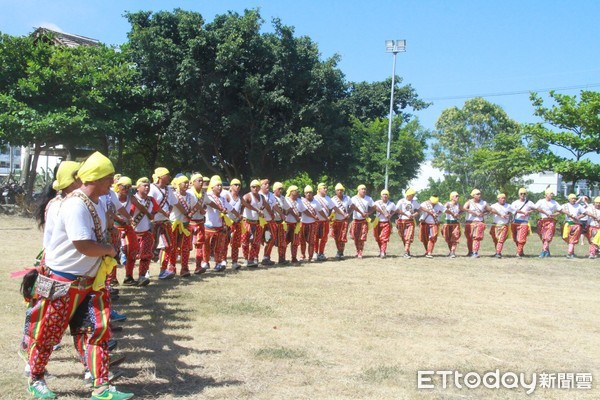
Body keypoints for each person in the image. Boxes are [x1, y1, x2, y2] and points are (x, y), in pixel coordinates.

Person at [23, 151, 133, 400]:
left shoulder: (93, 201)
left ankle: (101, 387)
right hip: (63, 282)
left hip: (89, 283)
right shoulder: (75, 204)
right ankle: (36, 378)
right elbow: (83, 244)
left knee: (96, 333)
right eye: (108, 179)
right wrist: (109, 250)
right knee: (47, 334)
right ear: (96, 177)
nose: (111, 184)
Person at [203, 175, 239, 271]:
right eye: (217, 185)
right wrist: (221, 209)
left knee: (219, 247)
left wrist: (238, 215)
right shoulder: (208, 196)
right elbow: (208, 205)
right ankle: (205, 262)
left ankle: (218, 263)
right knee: (206, 246)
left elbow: (231, 208)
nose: (219, 187)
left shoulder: (222, 198)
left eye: (220, 185)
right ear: (212, 187)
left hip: (219, 226)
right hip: (208, 226)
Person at [149, 167, 178, 279]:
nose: (170, 177)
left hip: (165, 222)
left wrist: (169, 211)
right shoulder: (151, 188)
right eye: (167, 175)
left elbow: (173, 202)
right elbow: (150, 203)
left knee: (167, 246)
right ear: (161, 176)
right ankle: (145, 271)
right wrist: (161, 211)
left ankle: (163, 270)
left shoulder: (168, 190)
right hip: (153, 222)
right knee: (149, 248)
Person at [129, 177, 157, 286]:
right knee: (131, 257)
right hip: (133, 234)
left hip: (146, 233)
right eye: (144, 185)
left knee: (146, 256)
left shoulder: (151, 200)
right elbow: (130, 215)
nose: (147, 187)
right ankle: (129, 277)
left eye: (148, 186)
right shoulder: (132, 200)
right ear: (138, 187)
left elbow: (154, 212)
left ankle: (142, 276)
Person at [168, 175, 197, 276]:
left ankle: (184, 268)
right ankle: (172, 267)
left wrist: (191, 214)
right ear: (178, 184)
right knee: (173, 247)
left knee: (185, 248)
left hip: (185, 225)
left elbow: (197, 206)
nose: (186, 184)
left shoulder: (190, 196)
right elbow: (170, 208)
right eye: (184, 182)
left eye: (187, 182)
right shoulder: (174, 195)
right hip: (174, 224)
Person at [114, 177, 140, 285]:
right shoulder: (113, 197)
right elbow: (109, 212)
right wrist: (120, 219)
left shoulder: (131, 198)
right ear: (118, 186)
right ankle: (112, 278)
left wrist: (149, 213)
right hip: (115, 228)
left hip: (127, 228)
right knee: (113, 253)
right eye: (124, 186)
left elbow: (141, 206)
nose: (127, 189)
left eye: (129, 187)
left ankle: (128, 276)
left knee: (132, 250)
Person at [241, 180, 267, 267]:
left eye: (257, 187)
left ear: (260, 188)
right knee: (245, 242)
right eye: (253, 187)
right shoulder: (247, 196)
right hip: (247, 222)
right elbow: (243, 205)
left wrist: (270, 213)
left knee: (255, 243)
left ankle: (251, 259)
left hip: (257, 222)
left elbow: (265, 205)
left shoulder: (262, 197)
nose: (255, 188)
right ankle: (245, 259)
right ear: (250, 188)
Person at [299, 185, 327, 262]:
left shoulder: (316, 202)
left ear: (312, 193)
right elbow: (300, 210)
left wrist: (326, 218)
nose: (308, 194)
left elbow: (321, 211)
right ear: (304, 194)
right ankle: (303, 255)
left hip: (312, 224)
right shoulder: (301, 201)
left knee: (312, 241)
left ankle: (310, 257)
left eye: (310, 192)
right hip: (303, 223)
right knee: (302, 241)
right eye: (307, 193)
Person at [187, 173, 207, 274]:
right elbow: (193, 205)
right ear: (193, 182)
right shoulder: (189, 193)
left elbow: (209, 202)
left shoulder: (204, 193)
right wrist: (201, 209)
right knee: (185, 246)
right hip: (189, 223)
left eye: (201, 180)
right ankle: (184, 268)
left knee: (200, 245)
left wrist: (220, 208)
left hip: (200, 222)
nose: (201, 182)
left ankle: (198, 266)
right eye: (198, 180)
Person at [463, 189, 492, 258]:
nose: (479, 195)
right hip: (469, 222)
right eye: (477, 194)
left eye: (480, 194)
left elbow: (490, 210)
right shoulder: (469, 202)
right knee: (469, 238)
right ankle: (470, 252)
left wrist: (483, 214)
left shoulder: (484, 203)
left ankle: (475, 252)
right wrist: (473, 212)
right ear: (473, 195)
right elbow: (464, 208)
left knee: (477, 238)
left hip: (479, 222)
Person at [533, 188, 561, 258]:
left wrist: (553, 215)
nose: (552, 195)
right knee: (543, 237)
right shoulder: (541, 201)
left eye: (552, 194)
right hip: (542, 221)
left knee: (547, 237)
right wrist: (545, 213)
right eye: (550, 193)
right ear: (546, 194)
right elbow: (535, 208)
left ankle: (543, 251)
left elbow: (560, 211)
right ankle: (547, 251)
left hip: (551, 221)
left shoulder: (554, 202)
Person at [313, 183, 337, 261]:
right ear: (319, 189)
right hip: (316, 221)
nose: (326, 189)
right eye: (324, 188)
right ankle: (315, 252)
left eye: (326, 188)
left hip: (325, 221)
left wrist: (329, 216)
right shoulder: (315, 198)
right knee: (315, 237)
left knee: (324, 238)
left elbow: (332, 208)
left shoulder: (328, 198)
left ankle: (321, 253)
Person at [223, 178, 244, 270]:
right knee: (224, 242)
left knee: (235, 244)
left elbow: (243, 207)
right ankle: (223, 260)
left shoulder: (240, 198)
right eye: (235, 184)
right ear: (231, 186)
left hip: (237, 223)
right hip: (227, 223)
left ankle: (234, 262)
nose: (238, 186)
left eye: (239, 185)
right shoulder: (227, 197)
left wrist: (241, 215)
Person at [349, 184, 374, 259]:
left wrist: (368, 213)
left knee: (362, 237)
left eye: (365, 189)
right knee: (356, 238)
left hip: (364, 221)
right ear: (358, 190)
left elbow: (374, 207)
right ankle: (357, 250)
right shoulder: (353, 198)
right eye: (362, 189)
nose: (364, 190)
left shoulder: (368, 198)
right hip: (355, 221)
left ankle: (360, 252)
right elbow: (351, 207)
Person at [395, 188, 420, 258]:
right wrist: (405, 214)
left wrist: (414, 215)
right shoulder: (401, 201)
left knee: (408, 237)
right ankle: (407, 250)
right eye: (412, 195)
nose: (413, 196)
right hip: (401, 221)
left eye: (413, 195)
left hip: (410, 221)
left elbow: (419, 209)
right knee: (403, 237)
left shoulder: (414, 202)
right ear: (408, 195)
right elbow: (396, 209)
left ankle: (405, 252)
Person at [510, 188, 536, 257]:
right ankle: (521, 251)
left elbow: (535, 208)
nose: (523, 195)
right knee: (515, 239)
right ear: (519, 194)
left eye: (524, 194)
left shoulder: (529, 202)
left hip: (524, 222)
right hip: (515, 222)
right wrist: (523, 212)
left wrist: (529, 212)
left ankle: (518, 253)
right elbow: (513, 210)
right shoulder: (515, 202)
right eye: (521, 193)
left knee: (521, 239)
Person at [259, 179, 278, 266]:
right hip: (260, 221)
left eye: (268, 184)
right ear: (261, 186)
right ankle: (253, 258)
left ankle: (266, 257)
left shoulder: (271, 195)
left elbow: (275, 205)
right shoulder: (258, 195)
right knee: (256, 240)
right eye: (265, 184)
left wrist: (281, 214)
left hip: (270, 220)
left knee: (272, 238)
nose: (267, 185)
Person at [330, 183, 351, 260]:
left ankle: (341, 252)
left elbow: (352, 206)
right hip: (336, 221)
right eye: (338, 190)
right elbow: (331, 210)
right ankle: (339, 251)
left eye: (341, 190)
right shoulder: (332, 199)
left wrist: (349, 213)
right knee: (336, 237)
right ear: (335, 191)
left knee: (342, 237)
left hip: (344, 221)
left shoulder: (347, 198)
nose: (340, 191)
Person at [489, 193, 514, 258]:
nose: (503, 199)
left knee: (501, 240)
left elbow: (513, 212)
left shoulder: (508, 206)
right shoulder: (494, 205)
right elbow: (489, 211)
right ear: (498, 199)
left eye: (504, 198)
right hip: (495, 225)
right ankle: (497, 251)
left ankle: (498, 253)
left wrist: (511, 218)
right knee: (495, 240)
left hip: (504, 226)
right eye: (502, 198)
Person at [373, 189, 396, 258]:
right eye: (384, 194)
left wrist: (390, 215)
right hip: (377, 222)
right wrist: (383, 213)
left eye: (386, 194)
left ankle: (383, 252)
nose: (385, 196)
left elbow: (395, 210)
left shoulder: (391, 204)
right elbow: (374, 208)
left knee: (384, 238)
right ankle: (382, 251)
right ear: (381, 195)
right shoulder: (377, 202)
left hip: (386, 223)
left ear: (388, 196)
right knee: (378, 238)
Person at [271, 182, 290, 264]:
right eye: (279, 189)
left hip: (281, 222)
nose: (281, 190)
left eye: (282, 189)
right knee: (270, 240)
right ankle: (266, 258)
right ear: (274, 189)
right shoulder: (271, 197)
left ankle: (281, 258)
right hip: (272, 222)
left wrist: (285, 213)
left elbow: (287, 208)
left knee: (282, 241)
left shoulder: (282, 198)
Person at [560, 193, 584, 258]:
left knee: (573, 239)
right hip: (568, 224)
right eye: (572, 198)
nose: (574, 200)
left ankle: (569, 253)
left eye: (575, 198)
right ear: (569, 199)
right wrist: (553, 215)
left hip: (576, 225)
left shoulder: (578, 206)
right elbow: (559, 210)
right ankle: (572, 252)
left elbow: (584, 213)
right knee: (566, 238)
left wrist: (578, 217)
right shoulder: (565, 205)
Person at [284, 185, 303, 263]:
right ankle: (282, 258)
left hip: (296, 224)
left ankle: (294, 257)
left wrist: (299, 217)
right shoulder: (286, 200)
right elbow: (285, 211)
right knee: (284, 241)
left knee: (295, 242)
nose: (298, 192)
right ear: (291, 192)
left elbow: (302, 210)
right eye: (296, 190)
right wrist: (292, 213)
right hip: (287, 223)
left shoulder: (299, 200)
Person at [441, 191, 462, 258]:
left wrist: (459, 214)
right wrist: (452, 214)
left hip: (455, 224)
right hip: (448, 223)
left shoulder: (459, 205)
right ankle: (451, 251)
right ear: (452, 197)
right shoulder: (448, 204)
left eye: (458, 196)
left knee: (455, 238)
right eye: (456, 196)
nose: (458, 197)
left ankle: (453, 251)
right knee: (448, 238)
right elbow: (443, 210)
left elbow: (464, 210)